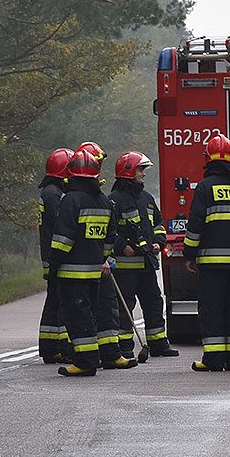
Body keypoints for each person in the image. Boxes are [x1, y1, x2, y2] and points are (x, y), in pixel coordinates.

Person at [50, 149, 136, 376]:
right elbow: (109, 238)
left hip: (71, 274)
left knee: (77, 317)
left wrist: (54, 263)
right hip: (95, 273)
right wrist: (100, 258)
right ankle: (91, 358)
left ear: (72, 174)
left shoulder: (70, 200)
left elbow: (63, 238)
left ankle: (85, 361)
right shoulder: (104, 201)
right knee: (91, 314)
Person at [183, 135, 230, 372]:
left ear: (208, 158)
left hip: (211, 264)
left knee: (212, 309)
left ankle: (214, 359)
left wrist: (189, 254)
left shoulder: (205, 187)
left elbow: (196, 224)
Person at [109, 151, 179, 358]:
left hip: (147, 264)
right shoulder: (114, 200)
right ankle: (124, 347)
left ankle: (158, 344)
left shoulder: (147, 199)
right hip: (125, 267)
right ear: (129, 171)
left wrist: (158, 242)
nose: (144, 174)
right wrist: (122, 246)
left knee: (154, 303)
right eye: (140, 169)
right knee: (124, 307)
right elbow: (109, 230)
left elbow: (158, 224)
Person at [38, 148, 73, 364]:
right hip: (57, 257)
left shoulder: (50, 192)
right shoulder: (53, 194)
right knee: (60, 303)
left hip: (52, 256)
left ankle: (50, 348)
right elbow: (63, 223)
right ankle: (60, 347)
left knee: (54, 302)